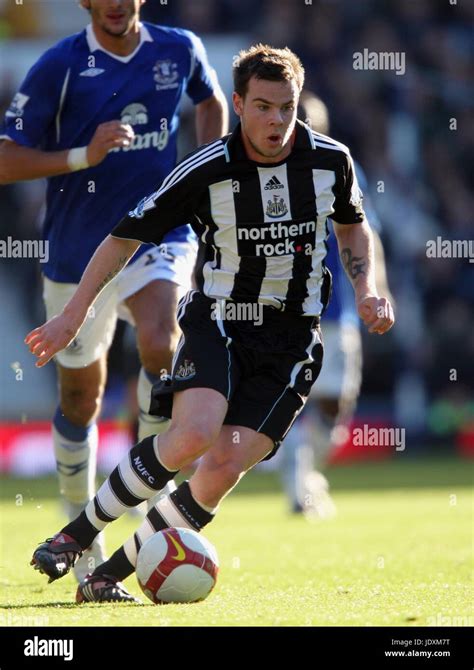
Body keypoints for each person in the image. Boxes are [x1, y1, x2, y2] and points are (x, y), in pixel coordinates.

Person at [26, 44, 395, 603]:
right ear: (239, 105)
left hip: (294, 340)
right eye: (264, 106)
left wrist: (367, 288)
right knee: (194, 436)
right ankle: (76, 535)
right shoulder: (207, 170)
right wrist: (73, 314)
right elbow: (124, 237)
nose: (276, 120)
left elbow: (353, 227)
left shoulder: (331, 160)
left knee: (222, 468)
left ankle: (109, 577)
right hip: (219, 322)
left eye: (287, 107)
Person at [0, 0, 228, 581]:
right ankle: (77, 534)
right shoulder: (60, 65)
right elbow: (5, 159)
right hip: (78, 251)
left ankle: (150, 495)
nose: (116, 5)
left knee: (161, 338)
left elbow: (211, 100)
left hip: (159, 235)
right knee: (81, 400)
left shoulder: (178, 49)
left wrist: (205, 171)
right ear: (85, 3)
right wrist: (84, 155)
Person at [281, 92, 394, 517]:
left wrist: (376, 288)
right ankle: (297, 483)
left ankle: (307, 472)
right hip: (287, 309)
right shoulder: (267, 172)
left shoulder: (344, 169)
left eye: (312, 122)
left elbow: (369, 236)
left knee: (334, 403)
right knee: (289, 397)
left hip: (338, 308)